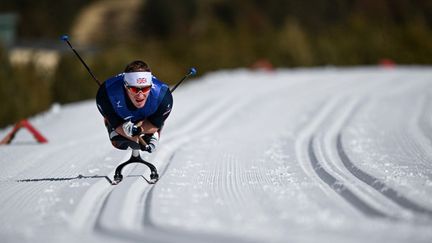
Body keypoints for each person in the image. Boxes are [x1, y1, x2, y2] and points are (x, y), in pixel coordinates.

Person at [96, 60, 173, 152]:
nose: (140, 95)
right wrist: (125, 129)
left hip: (149, 117)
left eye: (145, 89)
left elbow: (154, 125)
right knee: (119, 143)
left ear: (151, 85)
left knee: (147, 140)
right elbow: (117, 125)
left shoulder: (163, 96)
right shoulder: (106, 94)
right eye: (134, 89)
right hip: (120, 115)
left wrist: (139, 130)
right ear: (125, 86)